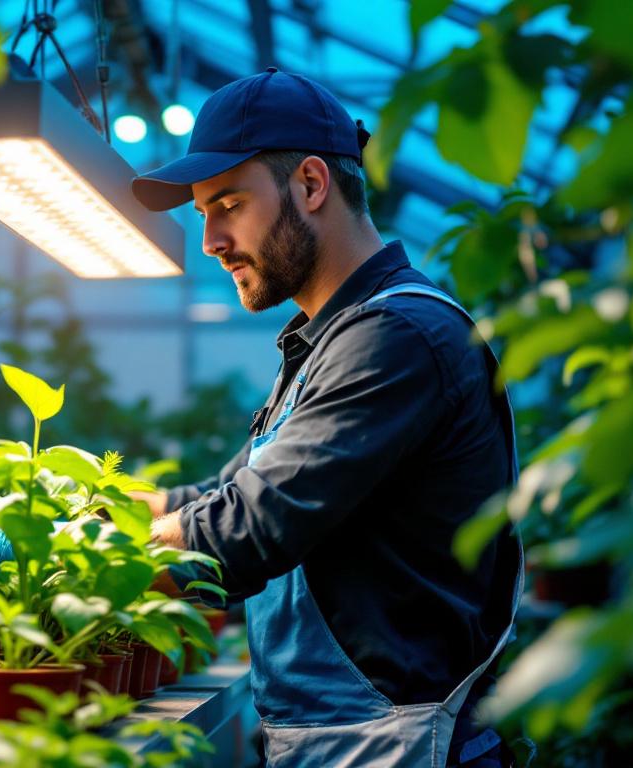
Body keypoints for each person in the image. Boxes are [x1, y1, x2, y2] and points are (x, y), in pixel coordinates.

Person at [129, 68, 523, 767]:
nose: (212, 240)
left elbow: (247, 531)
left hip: (399, 745)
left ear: (311, 185)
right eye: (202, 216)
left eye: (228, 204)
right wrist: (106, 507)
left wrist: (66, 556)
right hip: (343, 741)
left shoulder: (398, 337)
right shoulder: (331, 339)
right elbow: (231, 496)